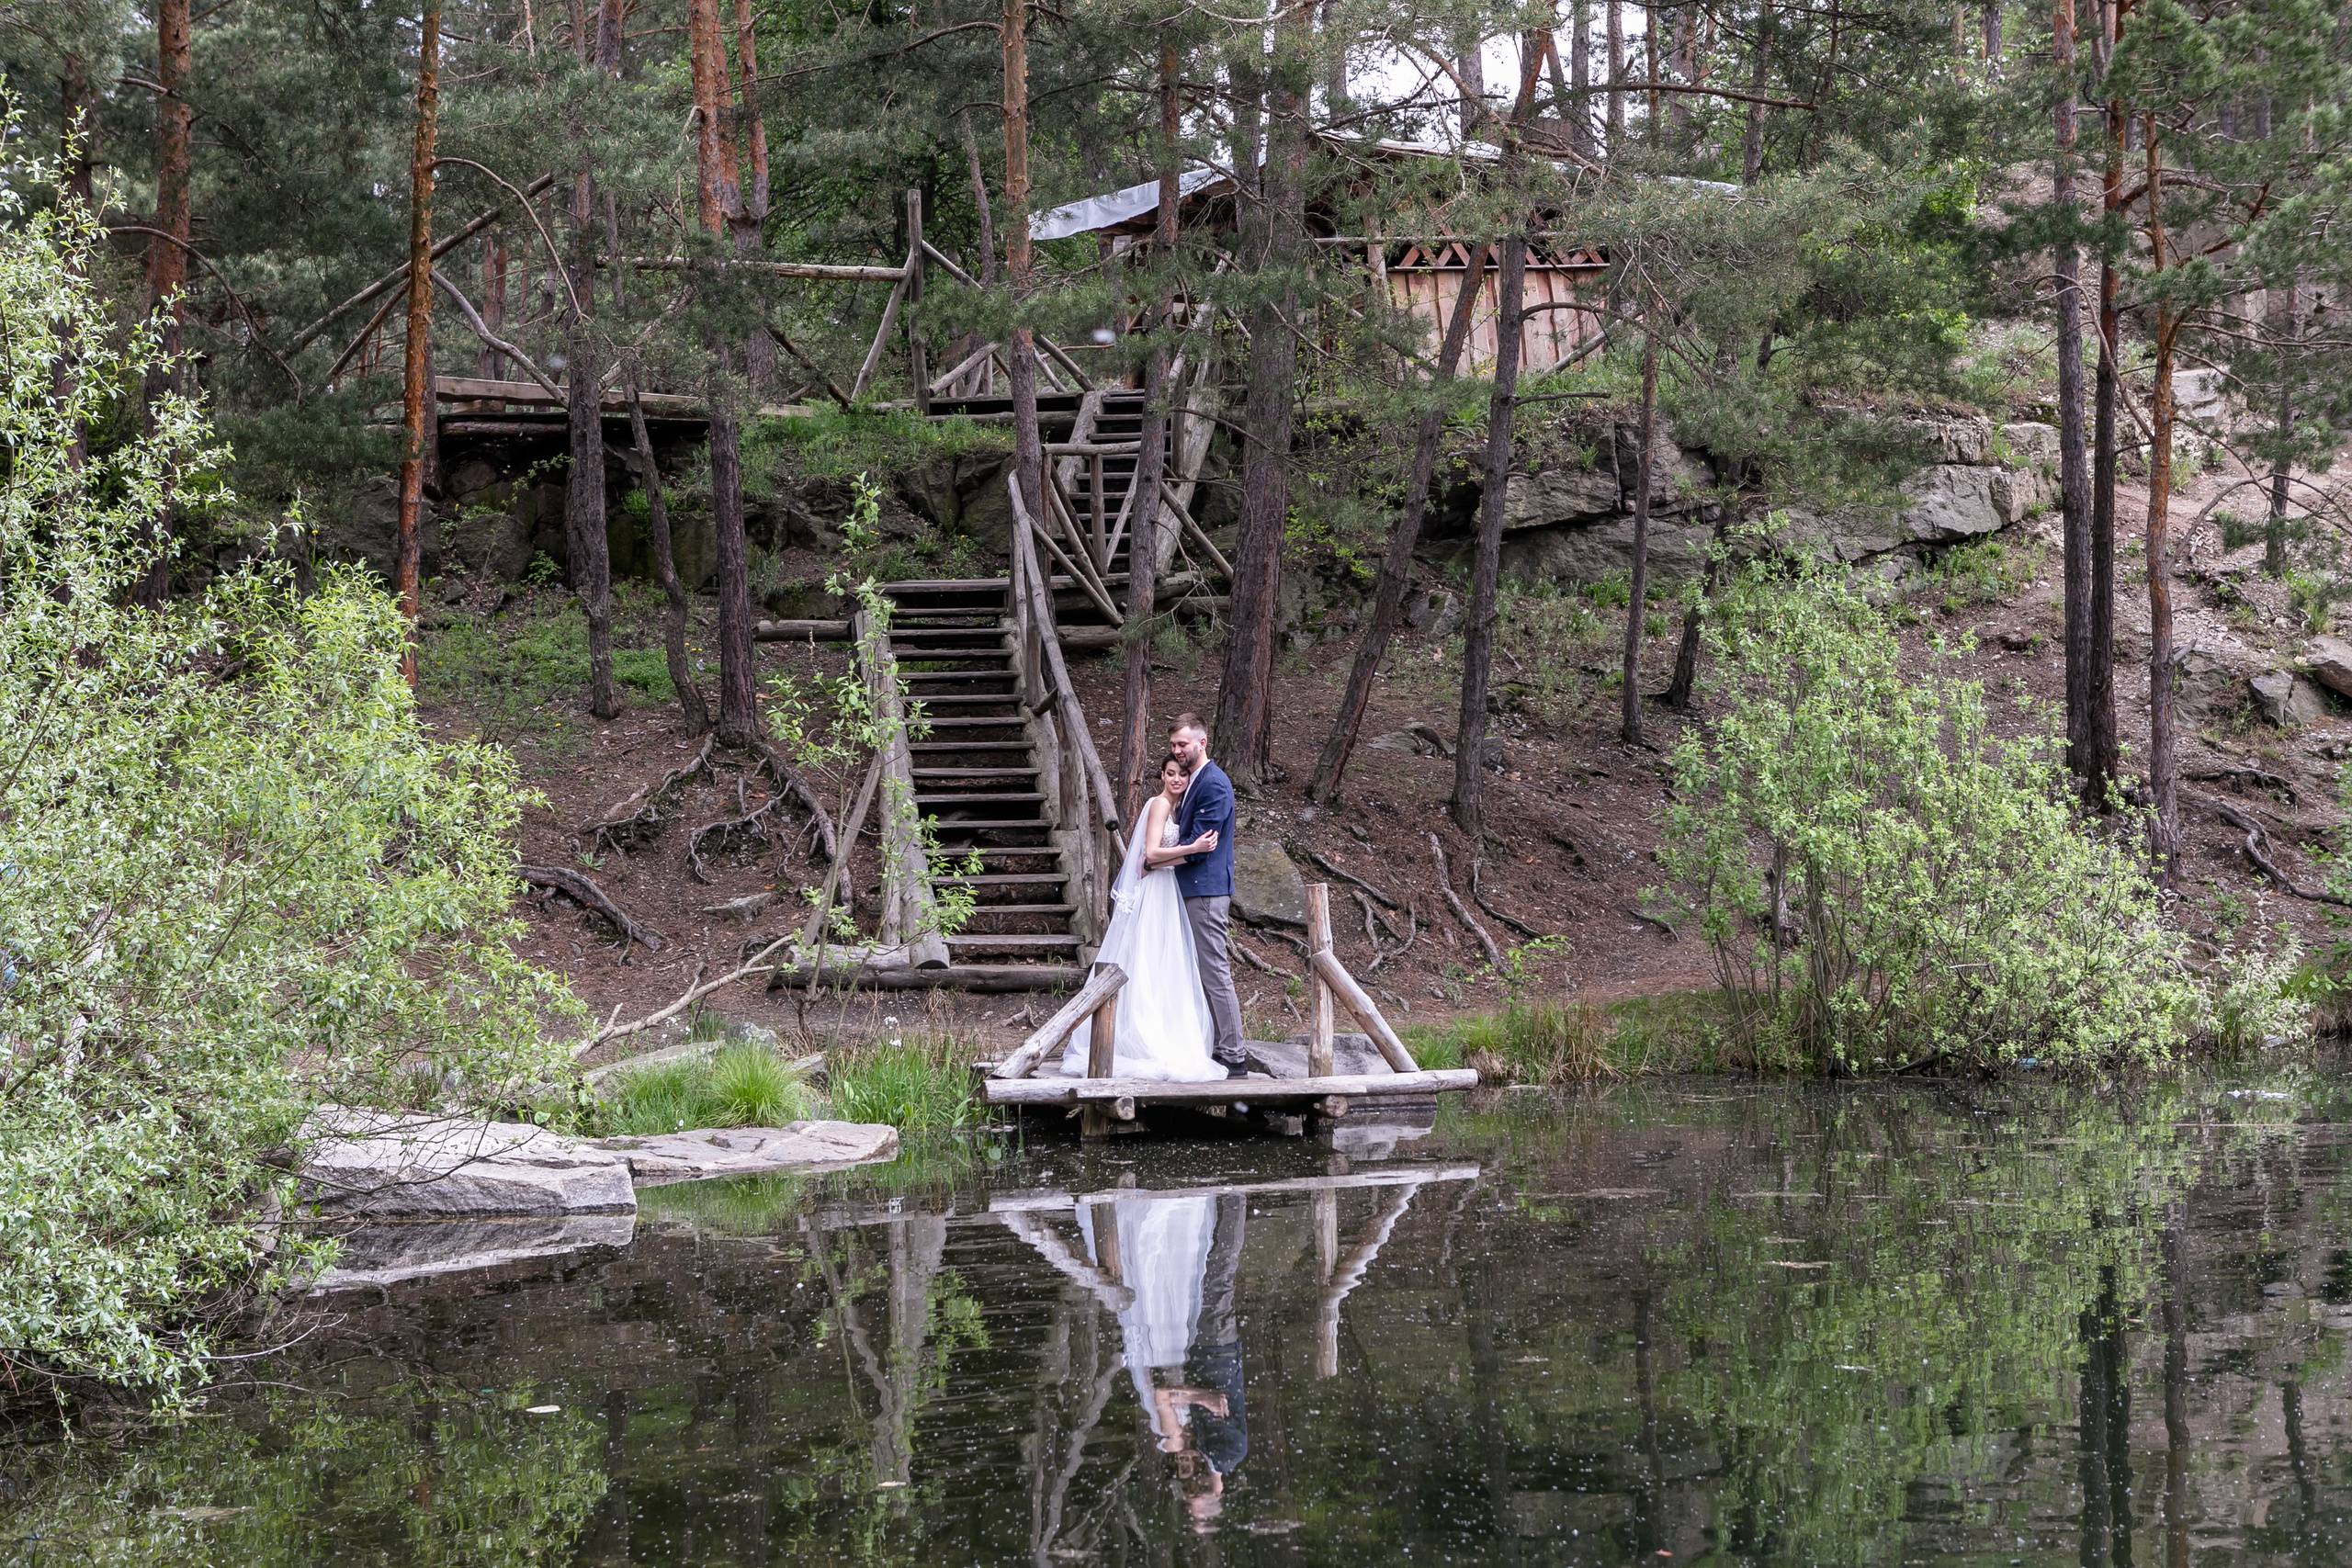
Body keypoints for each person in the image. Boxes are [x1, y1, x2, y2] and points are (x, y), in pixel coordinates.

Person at [1057, 754, 1227, 1081]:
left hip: (1168, 890)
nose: (1177, 779)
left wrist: (1190, 851)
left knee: (1166, 963)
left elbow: (1154, 862)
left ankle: (1163, 1032)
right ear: (1162, 775)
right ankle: (1138, 1037)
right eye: (1171, 773)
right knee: (1149, 958)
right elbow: (1150, 854)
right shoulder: (1160, 804)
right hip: (1155, 894)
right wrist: (1194, 848)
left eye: (1182, 774)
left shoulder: (1178, 809)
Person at [1166, 716, 1249, 1076]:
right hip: (1193, 887)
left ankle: (1234, 1055)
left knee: (1214, 970)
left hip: (1207, 888)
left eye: (1183, 744)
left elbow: (1200, 847)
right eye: (1173, 746)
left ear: (1202, 743)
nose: (1177, 751)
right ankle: (1216, 1047)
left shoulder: (1214, 784)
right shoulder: (1193, 782)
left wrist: (1156, 858)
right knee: (1202, 971)